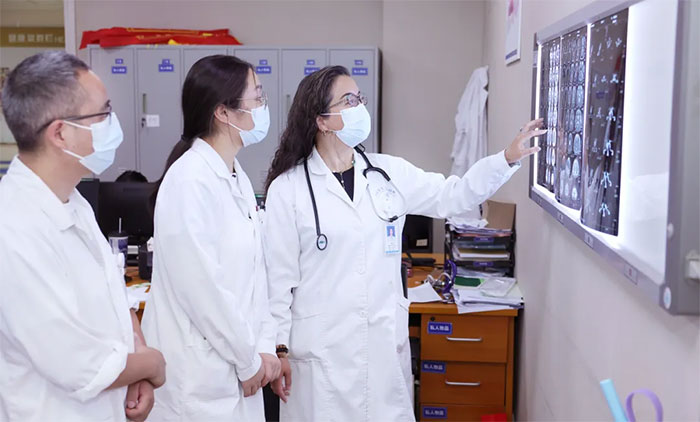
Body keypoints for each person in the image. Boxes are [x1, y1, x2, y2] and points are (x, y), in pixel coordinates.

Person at [263, 65, 545, 421]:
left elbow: (453, 196)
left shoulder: (387, 173)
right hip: (321, 358)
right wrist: (278, 349)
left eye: (360, 98)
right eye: (349, 101)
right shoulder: (289, 189)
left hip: (381, 348)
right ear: (322, 120)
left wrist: (505, 159)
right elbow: (278, 283)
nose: (359, 107)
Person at [0, 51, 165, 421]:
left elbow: (113, 294)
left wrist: (137, 357)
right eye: (103, 113)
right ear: (60, 133)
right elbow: (76, 365)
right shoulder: (12, 227)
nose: (113, 123)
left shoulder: (73, 200)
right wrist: (152, 365)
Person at [141, 55, 280, 421]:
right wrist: (249, 360)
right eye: (257, 97)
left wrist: (264, 347)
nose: (263, 105)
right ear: (223, 112)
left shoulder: (237, 177)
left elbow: (256, 276)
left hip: (239, 368)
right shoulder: (189, 180)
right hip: (199, 379)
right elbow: (202, 289)